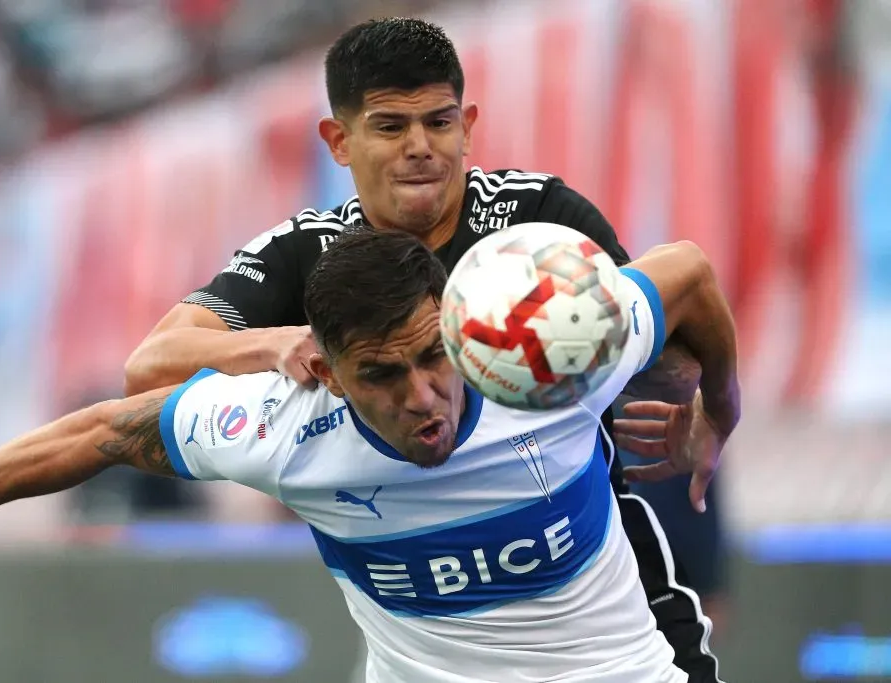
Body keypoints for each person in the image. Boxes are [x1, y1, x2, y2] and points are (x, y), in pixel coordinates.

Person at [124, 17, 722, 681]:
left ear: (466, 126)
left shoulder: (539, 224)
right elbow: (151, 363)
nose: (420, 148)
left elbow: (659, 329)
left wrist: (703, 406)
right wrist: (275, 342)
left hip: (594, 599)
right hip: (431, 621)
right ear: (338, 140)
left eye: (438, 123)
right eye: (389, 127)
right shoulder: (305, 253)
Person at [0, 227, 740, 682]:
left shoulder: (545, 362)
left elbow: (692, 273)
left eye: (432, 355)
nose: (420, 395)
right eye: (380, 374)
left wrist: (717, 414)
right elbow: (107, 429)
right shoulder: (283, 426)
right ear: (326, 374)